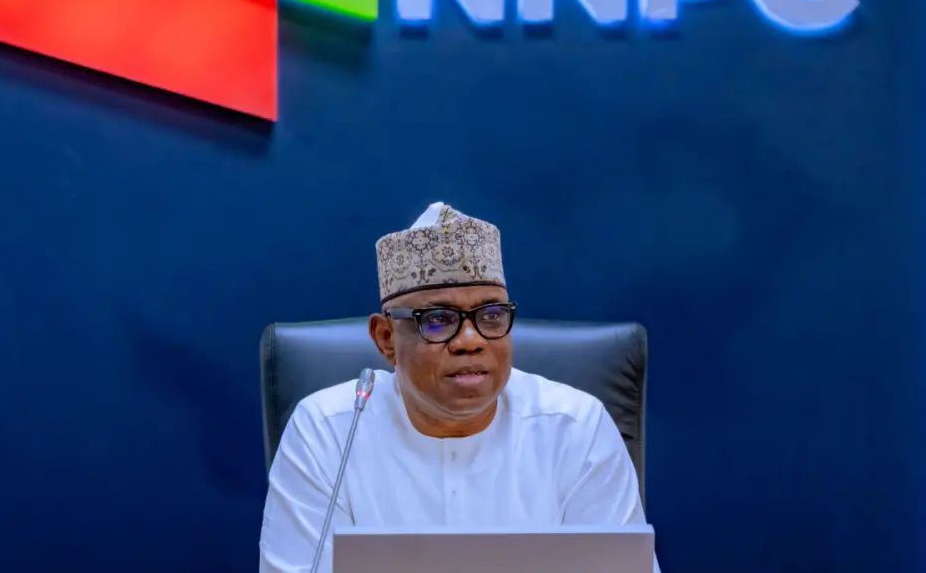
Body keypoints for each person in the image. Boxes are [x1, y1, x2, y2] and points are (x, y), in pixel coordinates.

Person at [259, 203, 659, 572]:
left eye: (492, 315)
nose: (471, 340)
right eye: (438, 319)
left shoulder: (575, 427)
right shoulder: (328, 431)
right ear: (386, 338)